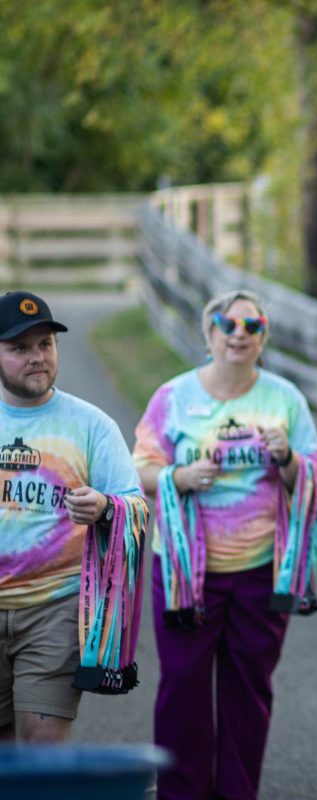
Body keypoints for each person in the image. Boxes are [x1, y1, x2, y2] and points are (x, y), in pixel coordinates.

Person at [133, 290, 317, 800]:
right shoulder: (172, 397)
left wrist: (287, 461)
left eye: (252, 324)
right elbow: (140, 468)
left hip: (260, 570)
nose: (239, 333)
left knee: (248, 691)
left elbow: (314, 473)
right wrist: (180, 475)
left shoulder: (284, 399)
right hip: (181, 573)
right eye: (227, 323)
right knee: (182, 691)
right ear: (209, 333)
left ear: (262, 336)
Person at [0, 290, 146, 742]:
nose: (36, 357)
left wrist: (105, 508)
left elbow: (136, 506)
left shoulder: (92, 425)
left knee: (41, 755)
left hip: (57, 609)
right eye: (19, 348)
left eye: (45, 344)